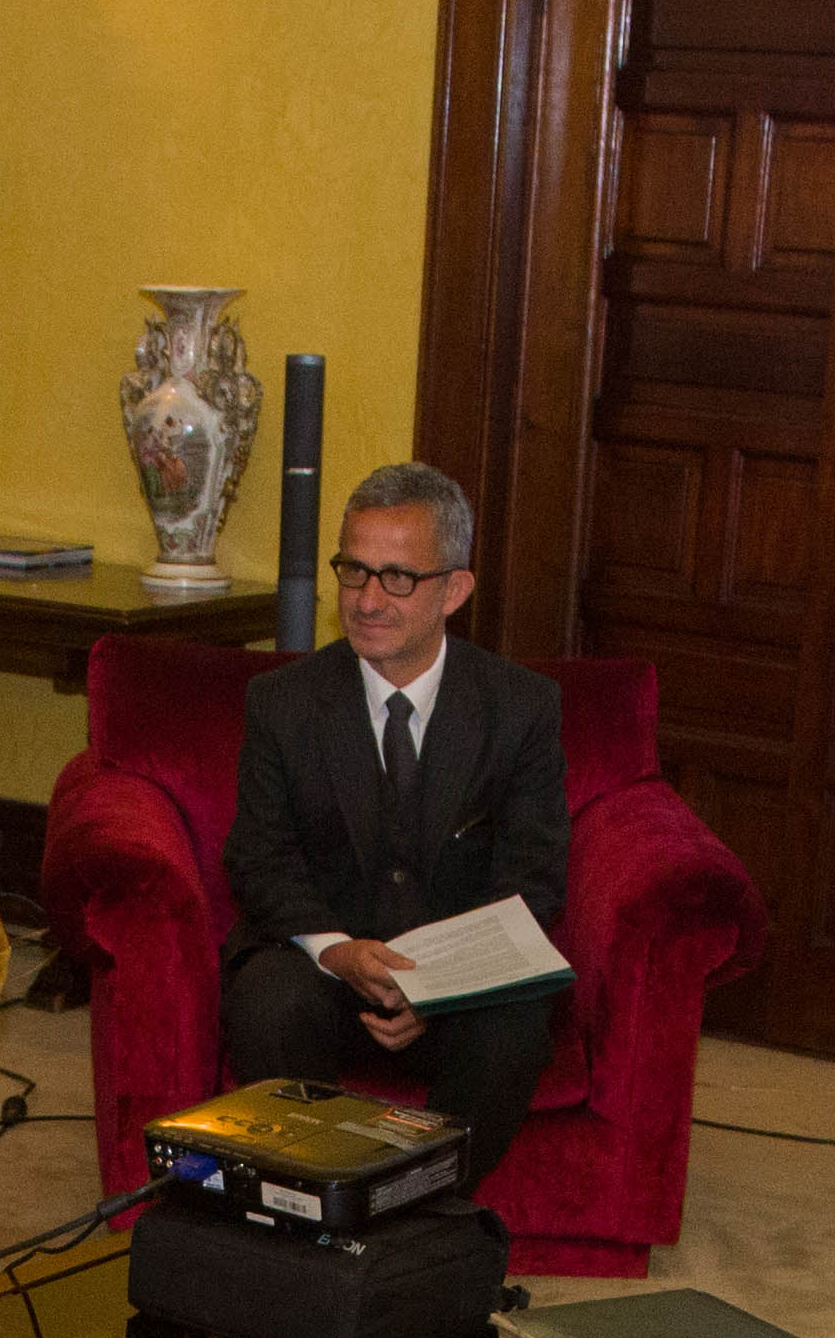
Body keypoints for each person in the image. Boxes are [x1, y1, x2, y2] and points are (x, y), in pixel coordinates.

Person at [213, 462, 573, 1192]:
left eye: (398, 578)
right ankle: (313, 1201)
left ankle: (424, 1213)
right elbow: (261, 860)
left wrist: (438, 988)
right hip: (326, 975)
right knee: (267, 998)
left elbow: (530, 881)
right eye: (354, 572)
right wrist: (339, 953)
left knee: (516, 1025)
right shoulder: (283, 703)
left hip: (458, 984)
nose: (368, 600)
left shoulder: (520, 709)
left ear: (455, 590)